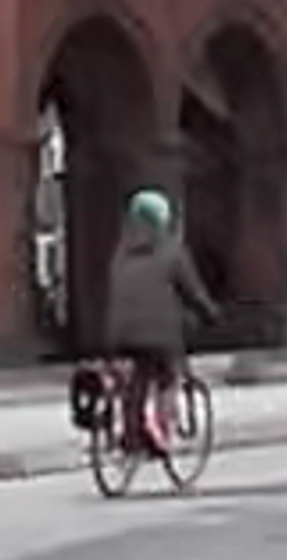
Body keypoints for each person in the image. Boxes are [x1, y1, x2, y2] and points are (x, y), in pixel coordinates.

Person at [89, 181, 217, 438]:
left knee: (135, 379)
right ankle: (160, 425)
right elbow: (192, 292)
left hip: (119, 334)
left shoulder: (121, 252)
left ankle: (130, 432)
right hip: (159, 335)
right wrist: (210, 313)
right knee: (169, 376)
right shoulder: (172, 251)